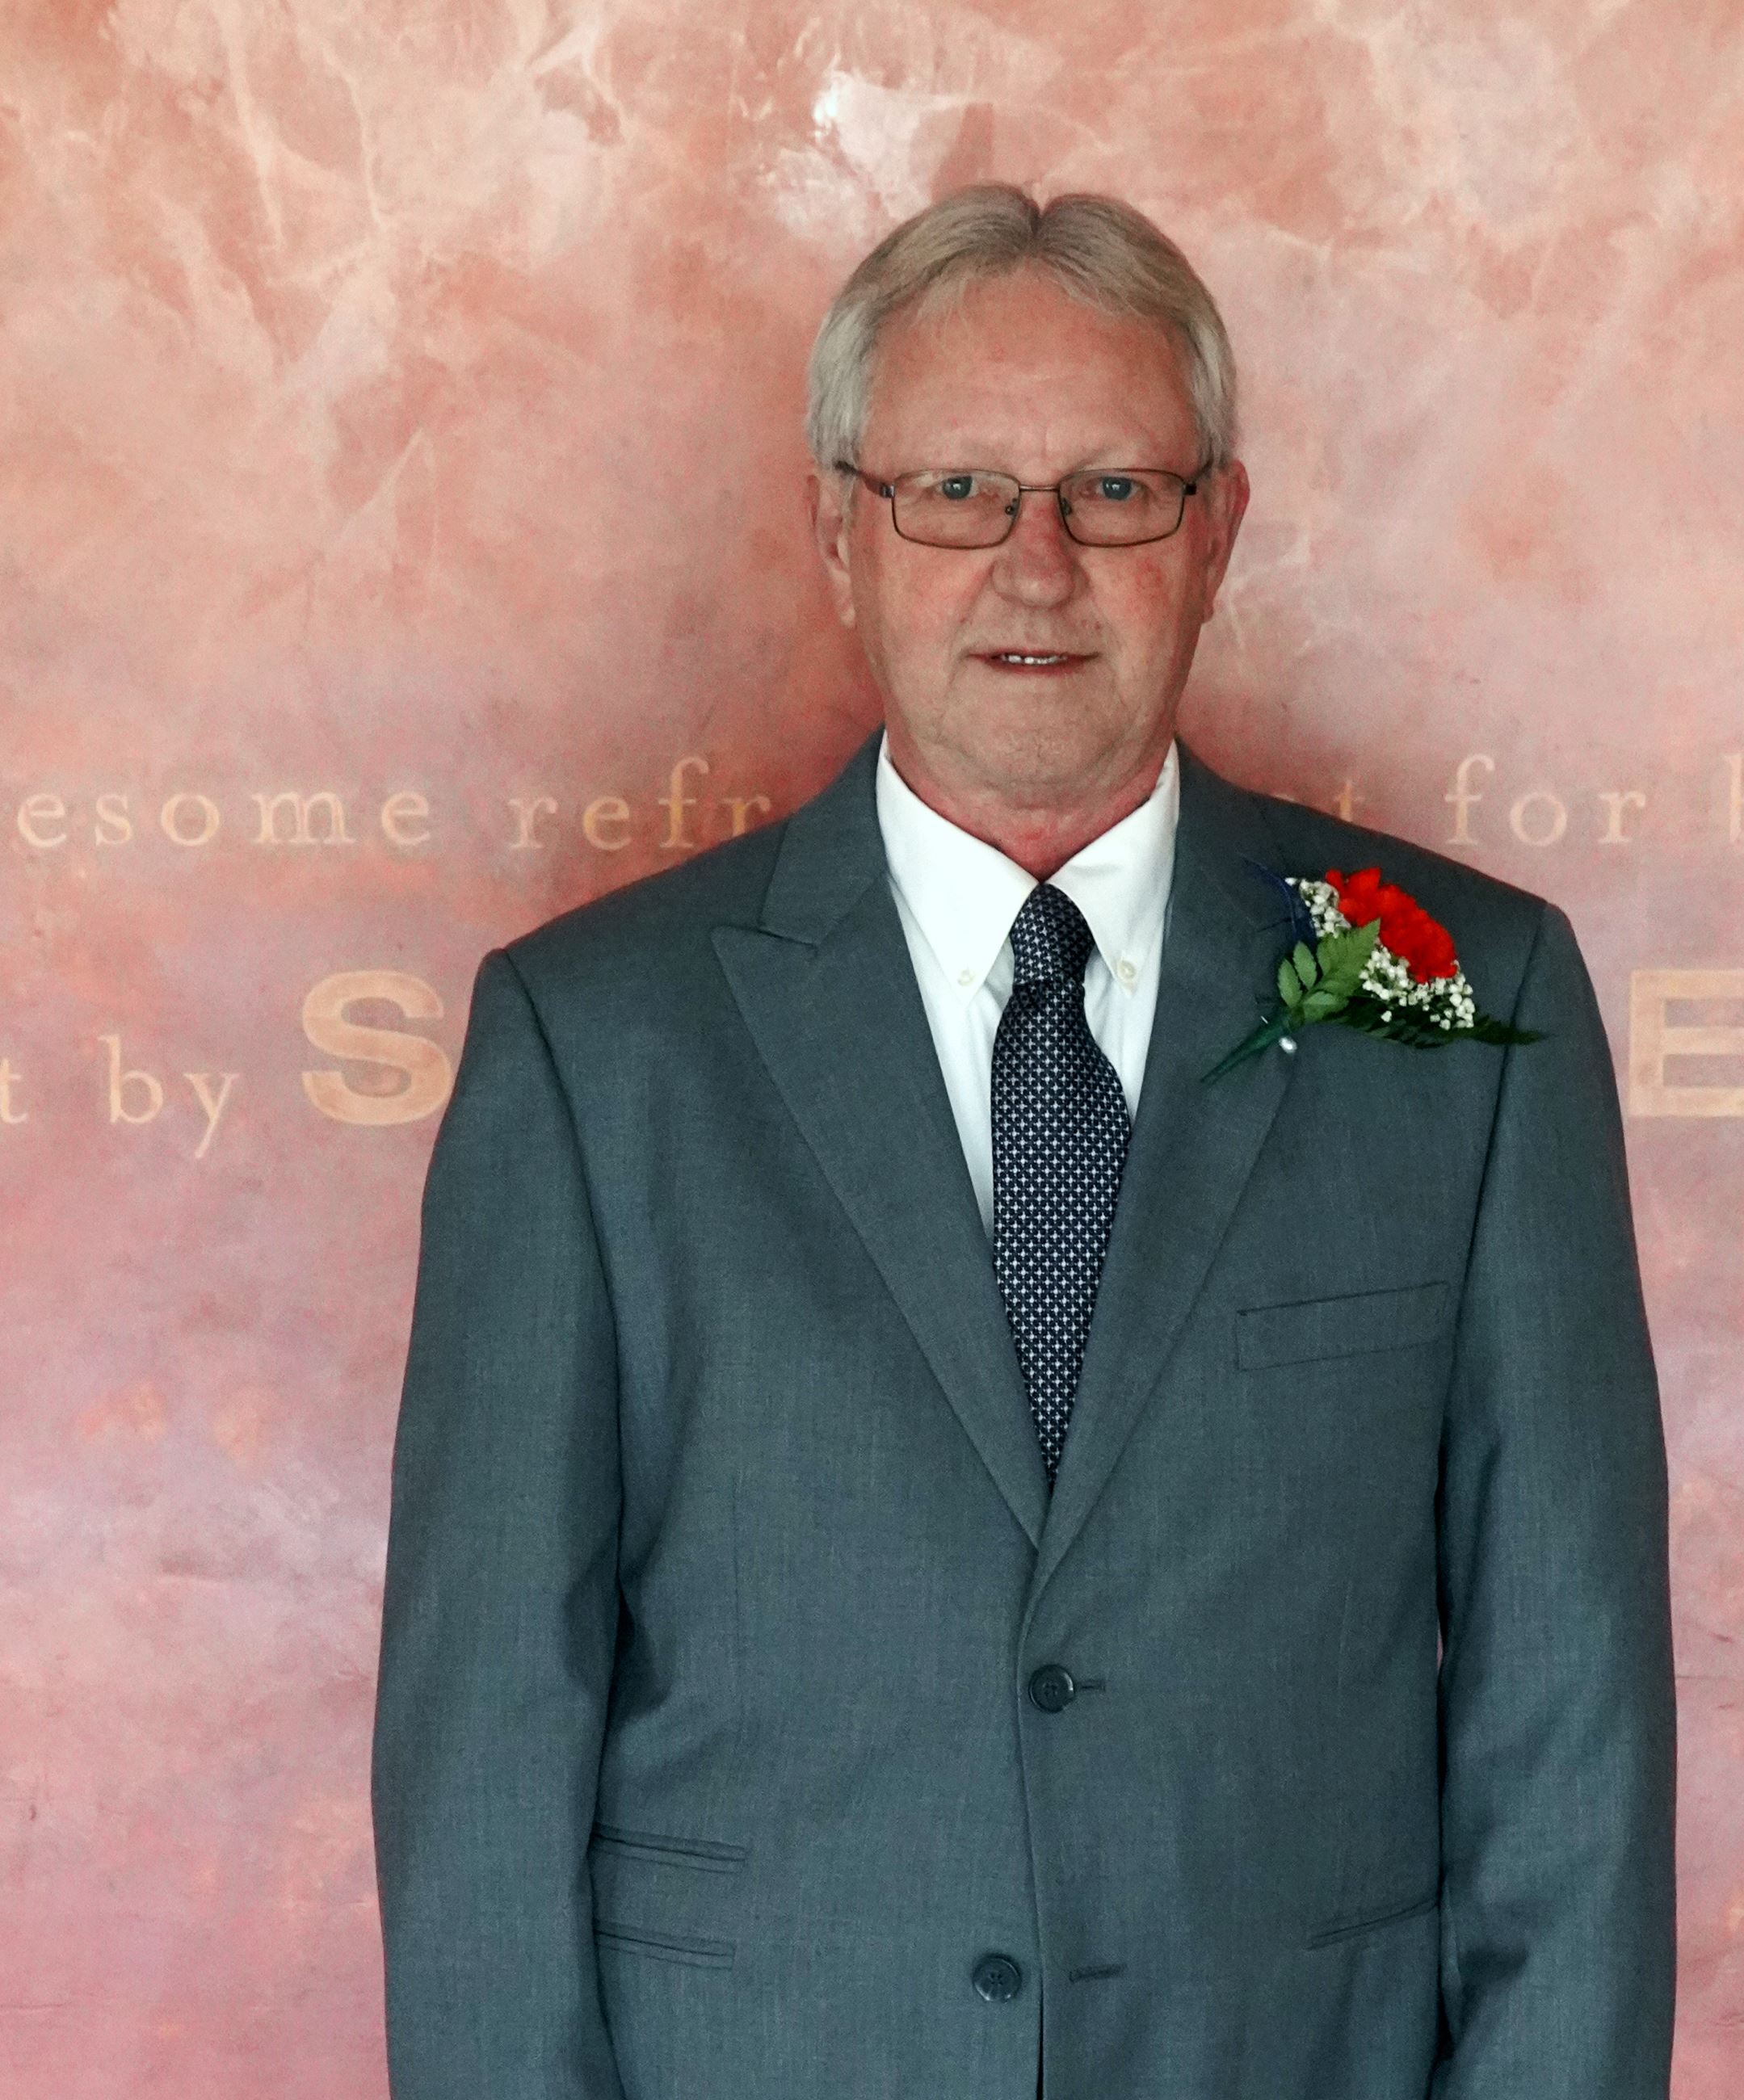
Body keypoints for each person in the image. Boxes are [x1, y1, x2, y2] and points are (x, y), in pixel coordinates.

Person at [370, 182, 1676, 2100]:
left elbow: (1574, 1734)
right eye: (957, 491)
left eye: (1114, 491)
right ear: (841, 530)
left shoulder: (1460, 1005)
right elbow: (485, 1751)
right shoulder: (595, 1045)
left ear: (1217, 530)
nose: (1035, 563)